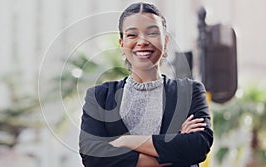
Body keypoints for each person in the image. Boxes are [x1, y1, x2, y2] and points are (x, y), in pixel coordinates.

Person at [79, 2, 213, 167]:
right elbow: (91, 155)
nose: (142, 42)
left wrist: (125, 141)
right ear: (122, 43)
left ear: (165, 41)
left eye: (152, 33)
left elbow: (198, 145)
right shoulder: (99, 96)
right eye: (132, 35)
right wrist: (174, 151)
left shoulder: (190, 91)